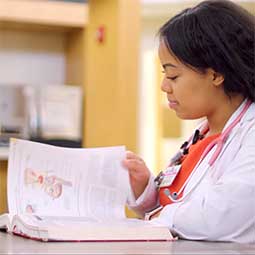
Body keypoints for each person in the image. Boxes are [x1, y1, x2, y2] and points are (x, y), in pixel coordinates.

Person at [123, 0, 255, 243]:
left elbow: (223, 216)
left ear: (216, 74)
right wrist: (146, 191)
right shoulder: (202, 134)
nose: (164, 86)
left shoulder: (250, 133)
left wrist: (161, 217)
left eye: (173, 75)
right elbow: (179, 205)